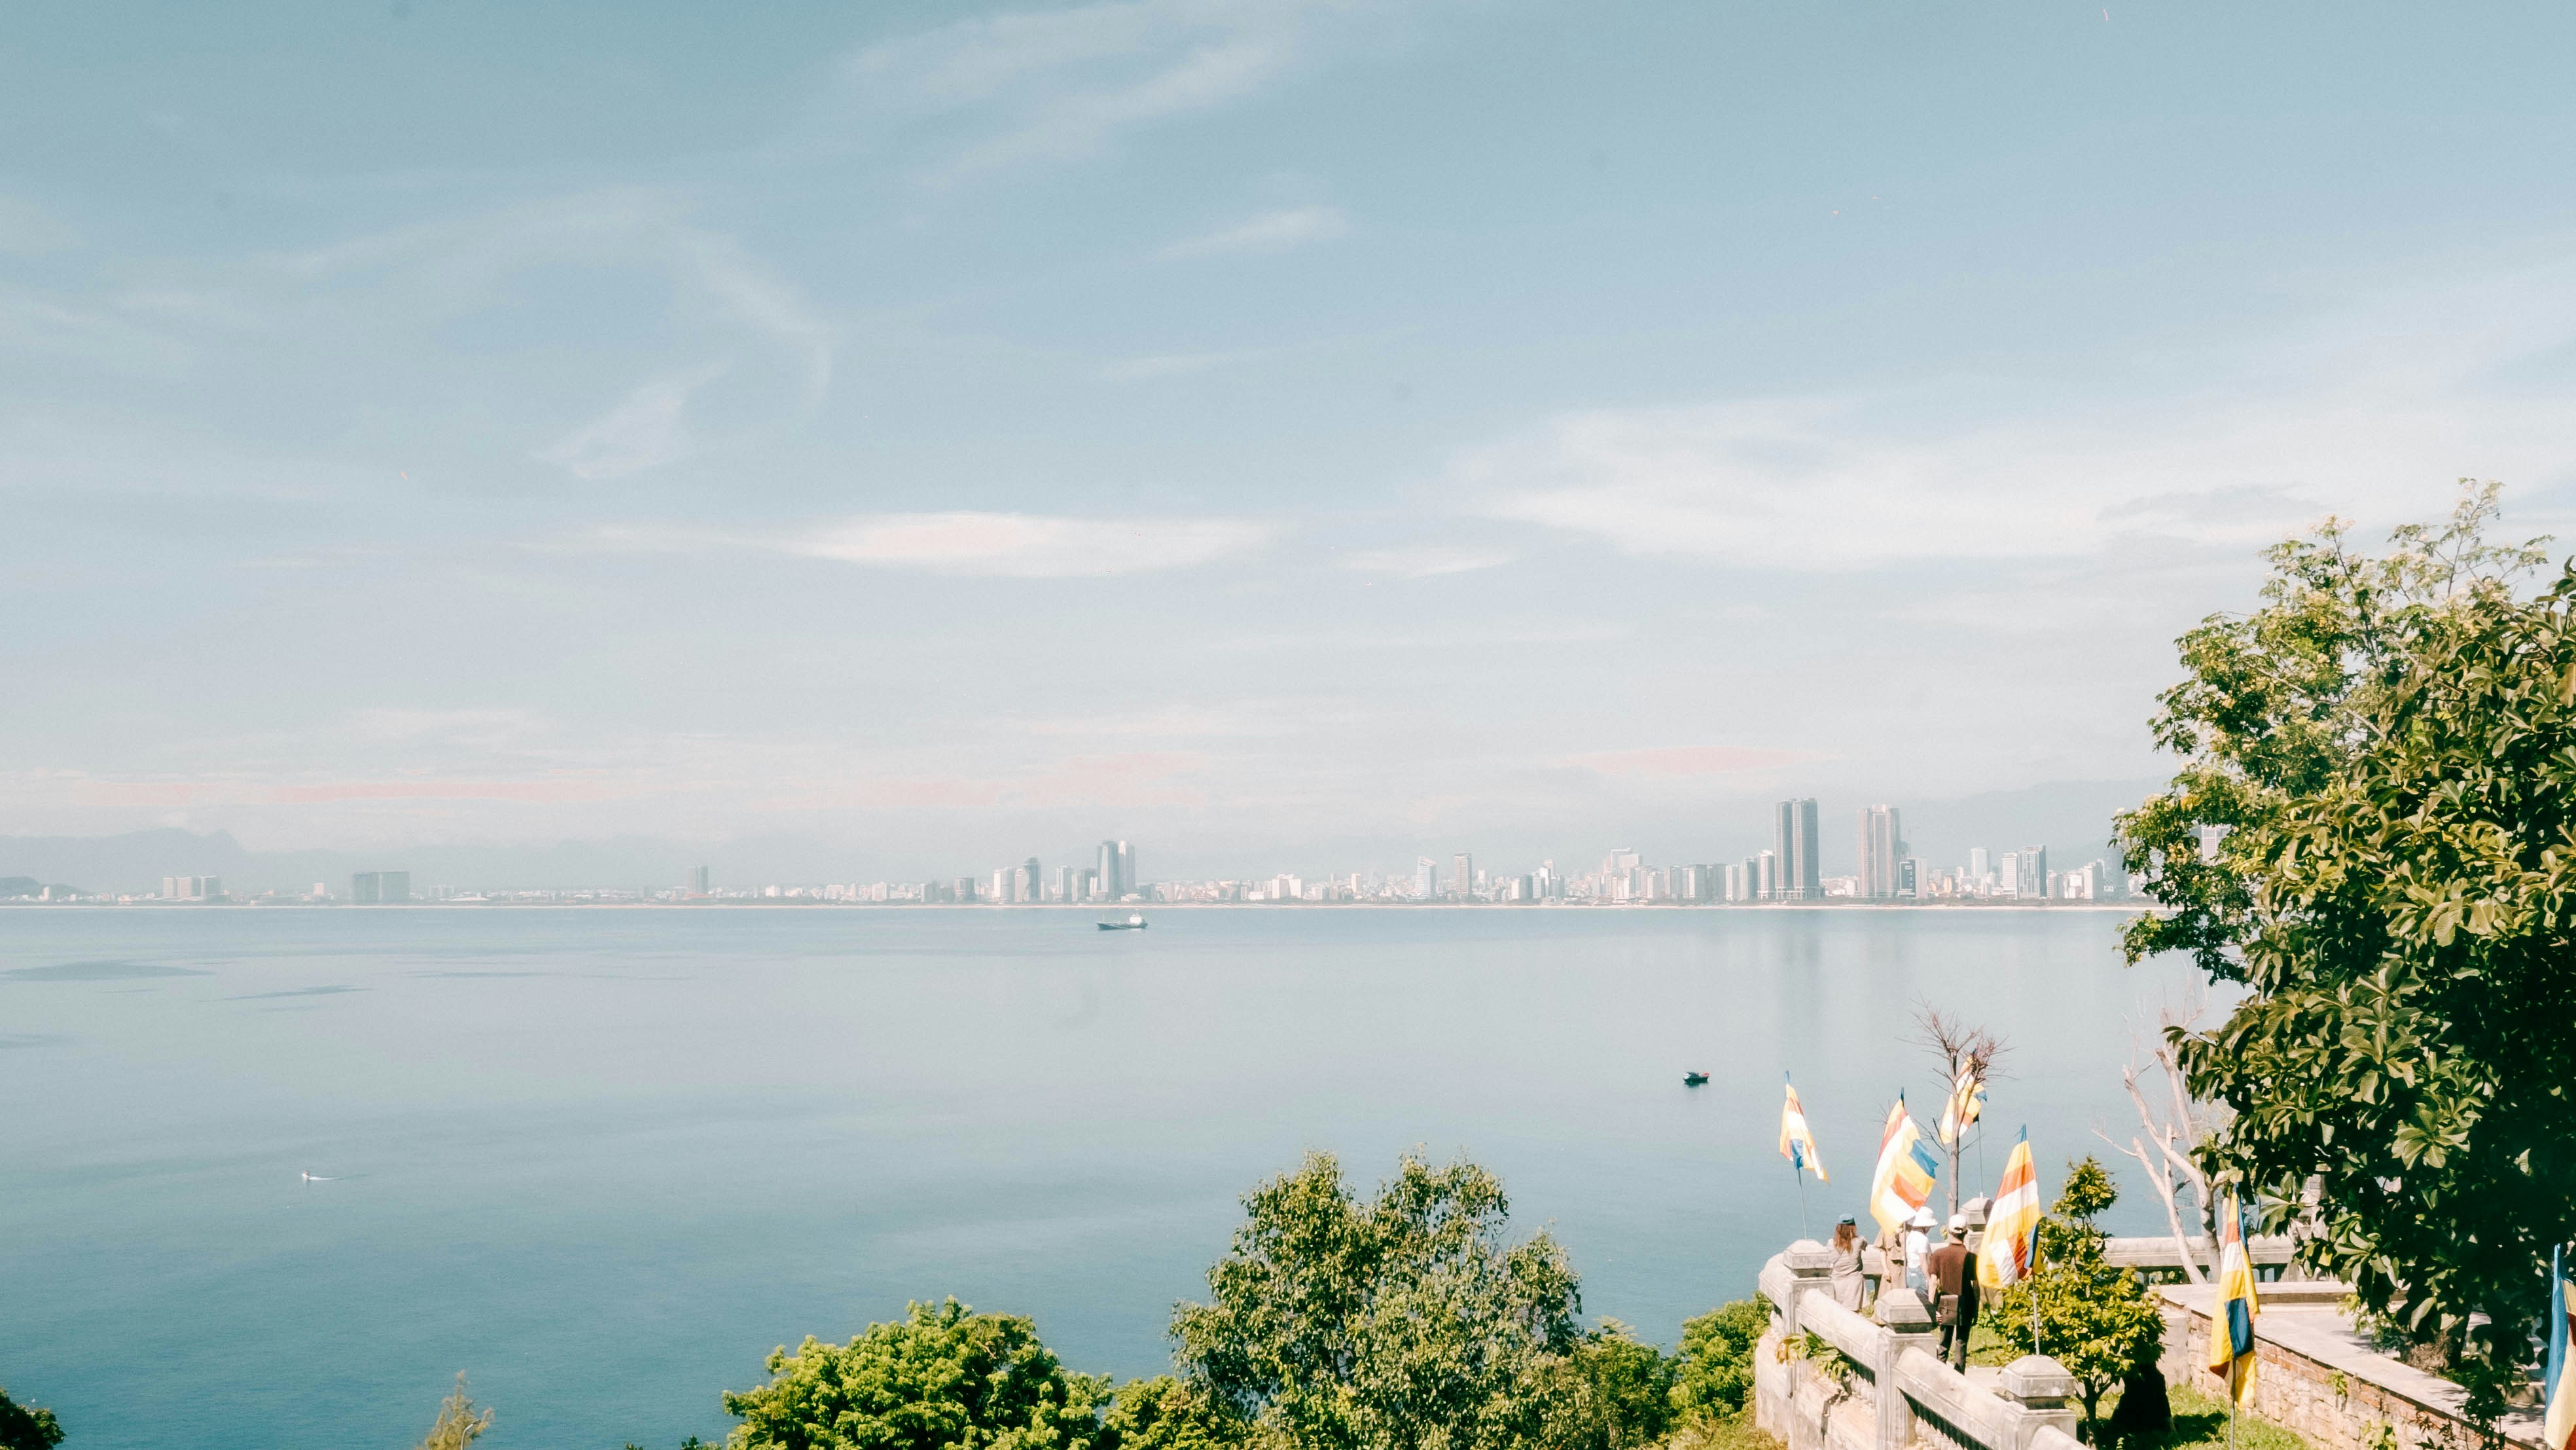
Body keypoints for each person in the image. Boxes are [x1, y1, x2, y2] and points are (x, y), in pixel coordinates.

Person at [1924, 1213, 1982, 1370]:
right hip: (1966, 1302)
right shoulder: (1971, 1257)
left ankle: (1940, 1374)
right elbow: (1975, 1287)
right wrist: (1976, 1309)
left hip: (1946, 1303)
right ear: (1965, 1233)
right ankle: (1959, 1376)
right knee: (1961, 1343)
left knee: (1943, 1343)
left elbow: (1934, 1283)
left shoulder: (1939, 1255)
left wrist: (1933, 1308)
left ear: (1949, 1232)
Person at [1828, 1216, 1865, 1311]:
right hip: (1855, 1285)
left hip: (1837, 1285)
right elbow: (1865, 1246)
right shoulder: (1860, 1241)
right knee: (1853, 1316)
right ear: (1853, 1227)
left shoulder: (1831, 1243)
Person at [1904, 1207, 1937, 1298]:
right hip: (1920, 1274)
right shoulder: (1923, 1239)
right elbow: (1923, 1262)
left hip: (1910, 1272)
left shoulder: (1911, 1236)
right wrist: (1929, 1280)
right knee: (1924, 1303)